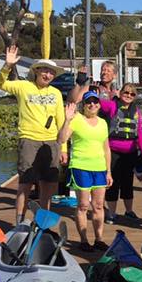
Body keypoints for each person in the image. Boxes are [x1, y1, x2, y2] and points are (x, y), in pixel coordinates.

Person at [0, 45, 66, 223]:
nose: (48, 75)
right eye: (45, 71)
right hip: (29, 140)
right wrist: (7, 65)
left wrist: (63, 147)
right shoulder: (23, 87)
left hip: (51, 143)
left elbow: (62, 121)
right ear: (37, 71)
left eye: (52, 73)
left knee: (48, 185)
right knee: (25, 183)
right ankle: (20, 222)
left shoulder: (56, 93)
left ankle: (43, 223)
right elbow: (0, 84)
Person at [58, 92, 111, 252]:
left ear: (99, 105)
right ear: (84, 105)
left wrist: (108, 171)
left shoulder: (103, 123)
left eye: (95, 102)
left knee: (99, 205)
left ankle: (99, 239)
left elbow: (106, 148)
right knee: (82, 205)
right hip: (81, 166)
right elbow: (61, 139)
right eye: (89, 102)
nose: (92, 105)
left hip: (99, 168)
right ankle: (83, 240)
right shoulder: (76, 119)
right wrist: (67, 119)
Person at [99, 83, 142, 223]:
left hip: (130, 152)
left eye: (132, 94)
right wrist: (99, 92)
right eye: (126, 93)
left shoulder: (136, 111)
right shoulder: (112, 105)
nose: (128, 96)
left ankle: (129, 211)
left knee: (128, 182)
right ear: (120, 93)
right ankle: (112, 213)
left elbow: (139, 132)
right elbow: (96, 102)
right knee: (113, 183)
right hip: (113, 151)